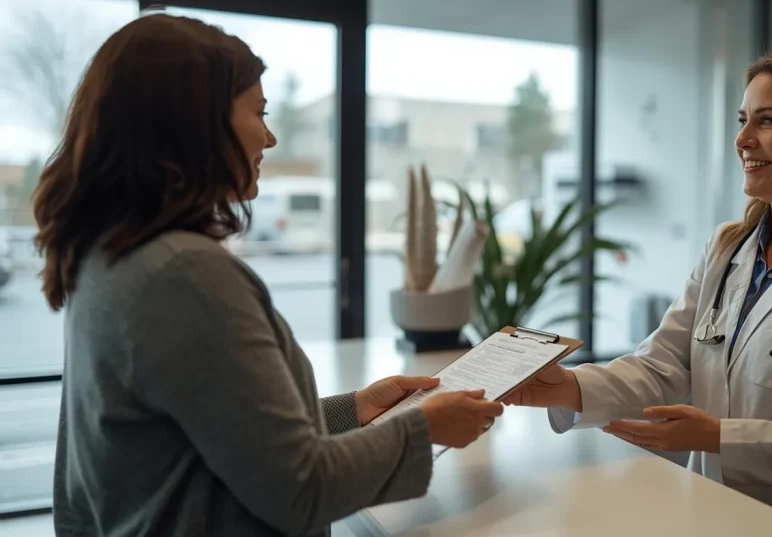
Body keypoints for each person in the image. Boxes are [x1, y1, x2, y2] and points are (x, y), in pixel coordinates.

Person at [34, 13, 502, 537]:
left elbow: (222, 436)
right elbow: (300, 489)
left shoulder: (110, 255)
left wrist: (356, 411)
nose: (271, 137)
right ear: (195, 122)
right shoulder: (183, 275)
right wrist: (426, 428)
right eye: (258, 111)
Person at [505, 45, 772, 494]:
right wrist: (566, 387)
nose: (743, 139)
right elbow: (663, 366)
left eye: (767, 120)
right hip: (721, 510)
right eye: (743, 120)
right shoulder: (728, 248)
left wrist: (718, 436)